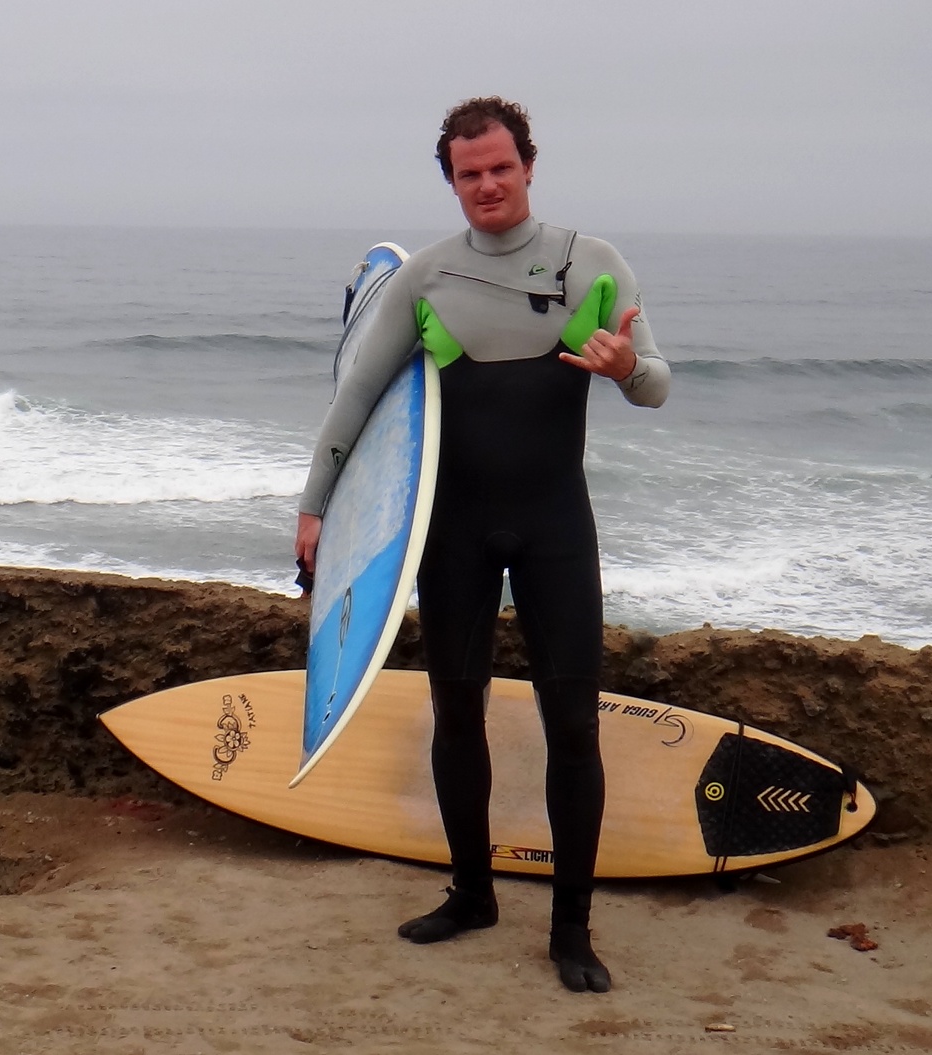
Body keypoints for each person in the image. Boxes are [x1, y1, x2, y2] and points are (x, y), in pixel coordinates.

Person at [292, 96, 669, 993]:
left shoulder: (592, 265)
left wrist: (626, 368)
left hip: (555, 529)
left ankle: (570, 929)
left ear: (528, 166)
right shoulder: (424, 280)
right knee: (454, 713)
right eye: (470, 174)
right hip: (453, 530)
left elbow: (654, 384)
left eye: (501, 167)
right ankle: (471, 895)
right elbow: (357, 396)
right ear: (452, 181)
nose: (487, 184)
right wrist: (315, 509)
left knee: (572, 724)